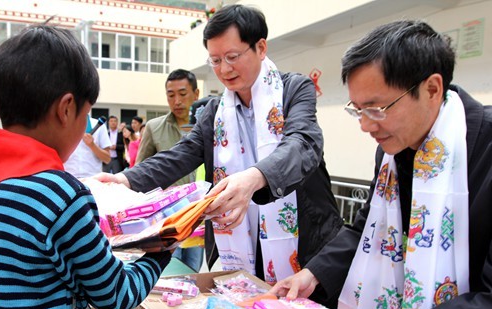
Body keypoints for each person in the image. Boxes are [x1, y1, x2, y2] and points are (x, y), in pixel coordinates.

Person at [270, 20, 492, 309]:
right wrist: (312, 274)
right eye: (357, 110)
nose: (365, 126)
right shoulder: (391, 150)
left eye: (376, 108)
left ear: (432, 89)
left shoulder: (483, 146)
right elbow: (366, 229)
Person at [0, 24, 171, 309]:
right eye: (86, 115)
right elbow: (115, 295)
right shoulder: (59, 194)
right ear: (66, 108)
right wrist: (164, 245)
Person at [96, 4, 342, 286]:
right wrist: (124, 179)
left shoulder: (294, 90)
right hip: (243, 240)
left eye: (232, 57)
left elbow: (303, 144)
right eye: (215, 60)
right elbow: (180, 155)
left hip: (304, 239)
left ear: (261, 48)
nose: (224, 69)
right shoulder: (215, 112)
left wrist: (254, 178)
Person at [136, 68, 203, 271]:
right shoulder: (154, 127)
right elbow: (141, 171)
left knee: (193, 270)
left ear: (196, 94)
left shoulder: (208, 127)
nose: (177, 101)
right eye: (171, 95)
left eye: (182, 94)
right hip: (166, 219)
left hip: (198, 215)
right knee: (169, 271)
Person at [63, 114, 111, 178]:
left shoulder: (98, 125)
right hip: (68, 177)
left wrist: (92, 145)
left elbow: (107, 159)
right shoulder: (62, 124)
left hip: (92, 178)